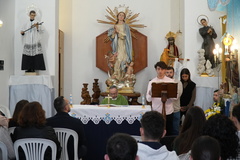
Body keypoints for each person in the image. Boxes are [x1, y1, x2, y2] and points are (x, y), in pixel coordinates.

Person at [146, 61, 175, 135]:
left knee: (168, 132)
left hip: (168, 111)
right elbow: (148, 98)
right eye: (158, 69)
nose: (160, 71)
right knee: (156, 132)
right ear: (156, 70)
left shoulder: (171, 81)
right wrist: (151, 93)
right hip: (157, 111)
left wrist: (168, 95)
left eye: (162, 69)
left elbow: (175, 98)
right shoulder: (152, 82)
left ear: (165, 70)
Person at [108, 11, 132, 81]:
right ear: (117, 16)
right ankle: (116, 75)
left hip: (124, 44)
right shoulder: (114, 26)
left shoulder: (126, 26)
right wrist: (114, 32)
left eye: (122, 15)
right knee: (117, 58)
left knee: (123, 58)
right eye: (120, 15)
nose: (121, 16)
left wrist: (119, 32)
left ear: (124, 17)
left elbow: (126, 36)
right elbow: (111, 38)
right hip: (117, 44)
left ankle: (123, 76)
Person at [166, 66, 183, 135]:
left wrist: (167, 95)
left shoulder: (178, 82)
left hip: (175, 109)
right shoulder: (162, 82)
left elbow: (177, 95)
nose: (169, 74)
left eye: (170, 72)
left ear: (173, 73)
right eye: (167, 72)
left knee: (175, 130)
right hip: (165, 110)